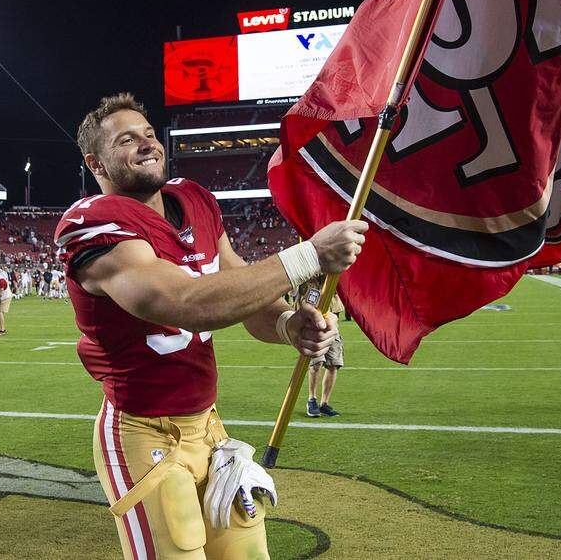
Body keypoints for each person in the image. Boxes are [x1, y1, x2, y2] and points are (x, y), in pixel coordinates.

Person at [55, 93, 366, 559]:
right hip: (142, 433)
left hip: (208, 426)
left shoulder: (194, 199)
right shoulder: (92, 224)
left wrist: (284, 324)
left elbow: (237, 288)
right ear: (95, 162)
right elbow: (180, 301)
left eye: (149, 134)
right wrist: (307, 256)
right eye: (127, 140)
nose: (146, 145)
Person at [305, 287, 346, 418]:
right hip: (313, 322)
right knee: (316, 363)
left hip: (332, 322)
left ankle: (324, 403)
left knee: (333, 364)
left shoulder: (335, 275)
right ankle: (312, 399)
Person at [0, 269, 12, 336]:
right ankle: (2, 329)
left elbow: (0, 294)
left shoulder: (1, 281)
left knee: (0, 313)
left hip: (6, 297)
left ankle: (3, 330)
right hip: (3, 297)